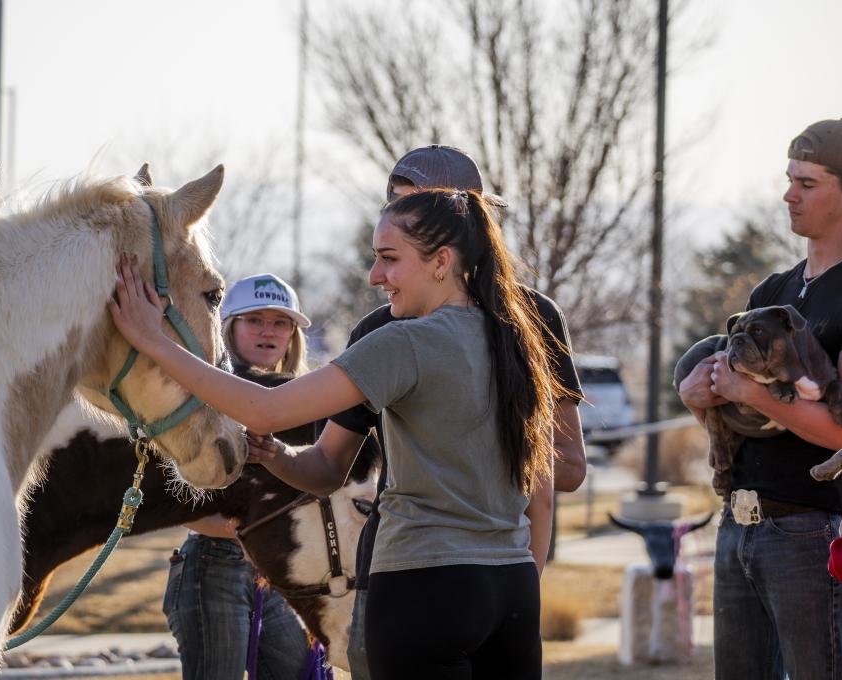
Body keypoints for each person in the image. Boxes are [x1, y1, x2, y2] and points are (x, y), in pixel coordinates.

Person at [110, 187, 568, 679]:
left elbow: (264, 409)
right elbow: (328, 470)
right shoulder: (521, 341)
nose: (375, 277)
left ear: (441, 261)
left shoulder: (404, 342)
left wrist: (155, 342)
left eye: (389, 260)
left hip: (426, 587)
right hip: (512, 590)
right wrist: (280, 457)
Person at [337, 145, 587, 679]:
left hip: (499, 569)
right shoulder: (381, 331)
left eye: (425, 211)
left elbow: (566, 467)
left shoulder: (533, 319)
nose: (407, 225)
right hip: (402, 563)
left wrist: (520, 564)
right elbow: (327, 465)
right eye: (398, 210)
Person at [678, 118, 842, 679]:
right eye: (789, 179)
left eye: (807, 183)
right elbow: (727, 400)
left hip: (810, 533)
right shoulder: (772, 292)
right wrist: (697, 394)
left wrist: (743, 390)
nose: (789, 194)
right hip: (736, 524)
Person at [163, 273, 312, 680]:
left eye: (281, 322)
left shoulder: (308, 402)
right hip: (215, 565)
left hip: (282, 573)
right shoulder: (199, 402)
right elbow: (172, 507)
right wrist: (246, 534)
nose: (269, 331)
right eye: (254, 320)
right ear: (228, 328)